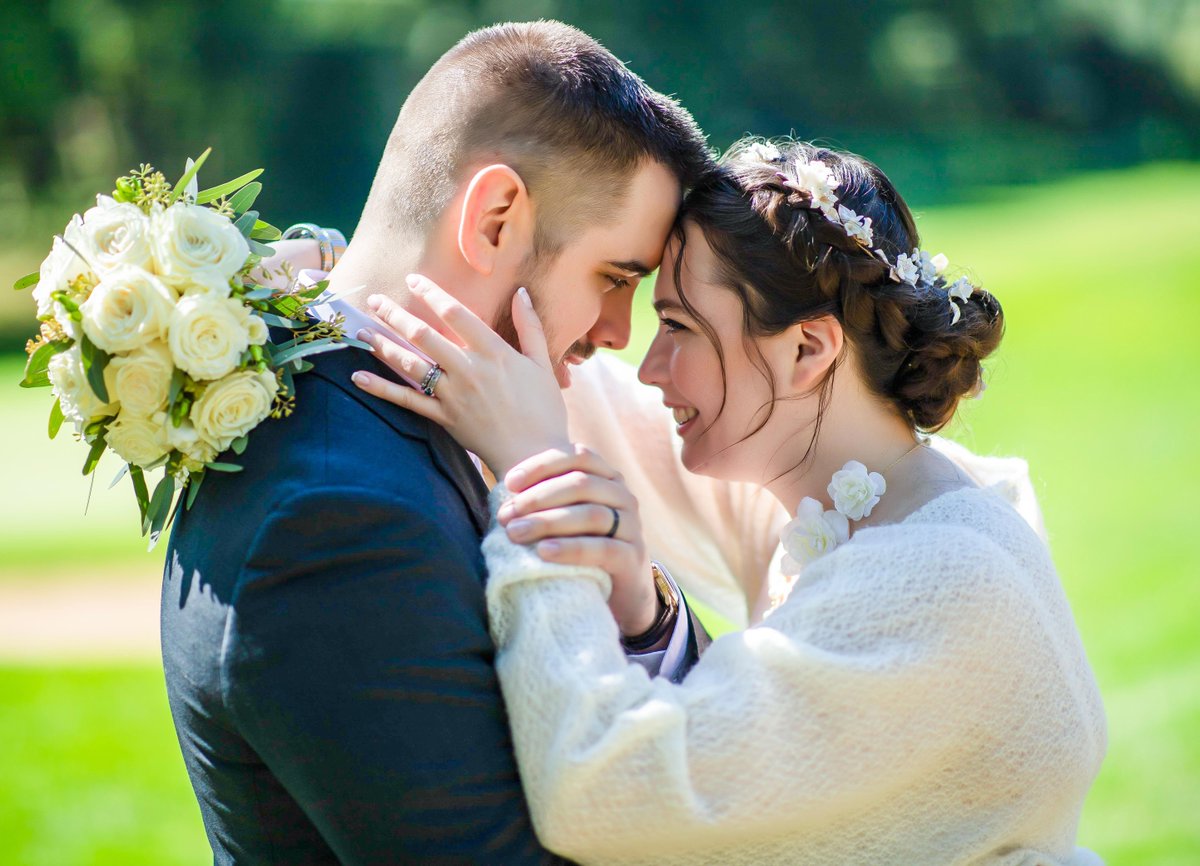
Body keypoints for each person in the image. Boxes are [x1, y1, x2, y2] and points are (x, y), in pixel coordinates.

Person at [355, 139, 1108, 865]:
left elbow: (603, 790)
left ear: (808, 351)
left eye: (678, 325)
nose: (647, 366)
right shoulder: (851, 500)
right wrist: (359, 276)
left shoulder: (937, 584)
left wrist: (538, 473)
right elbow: (579, 399)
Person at [161, 20, 734, 864]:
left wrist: (639, 614)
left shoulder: (366, 418)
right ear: (497, 218)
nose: (619, 331)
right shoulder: (336, 514)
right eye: (616, 278)